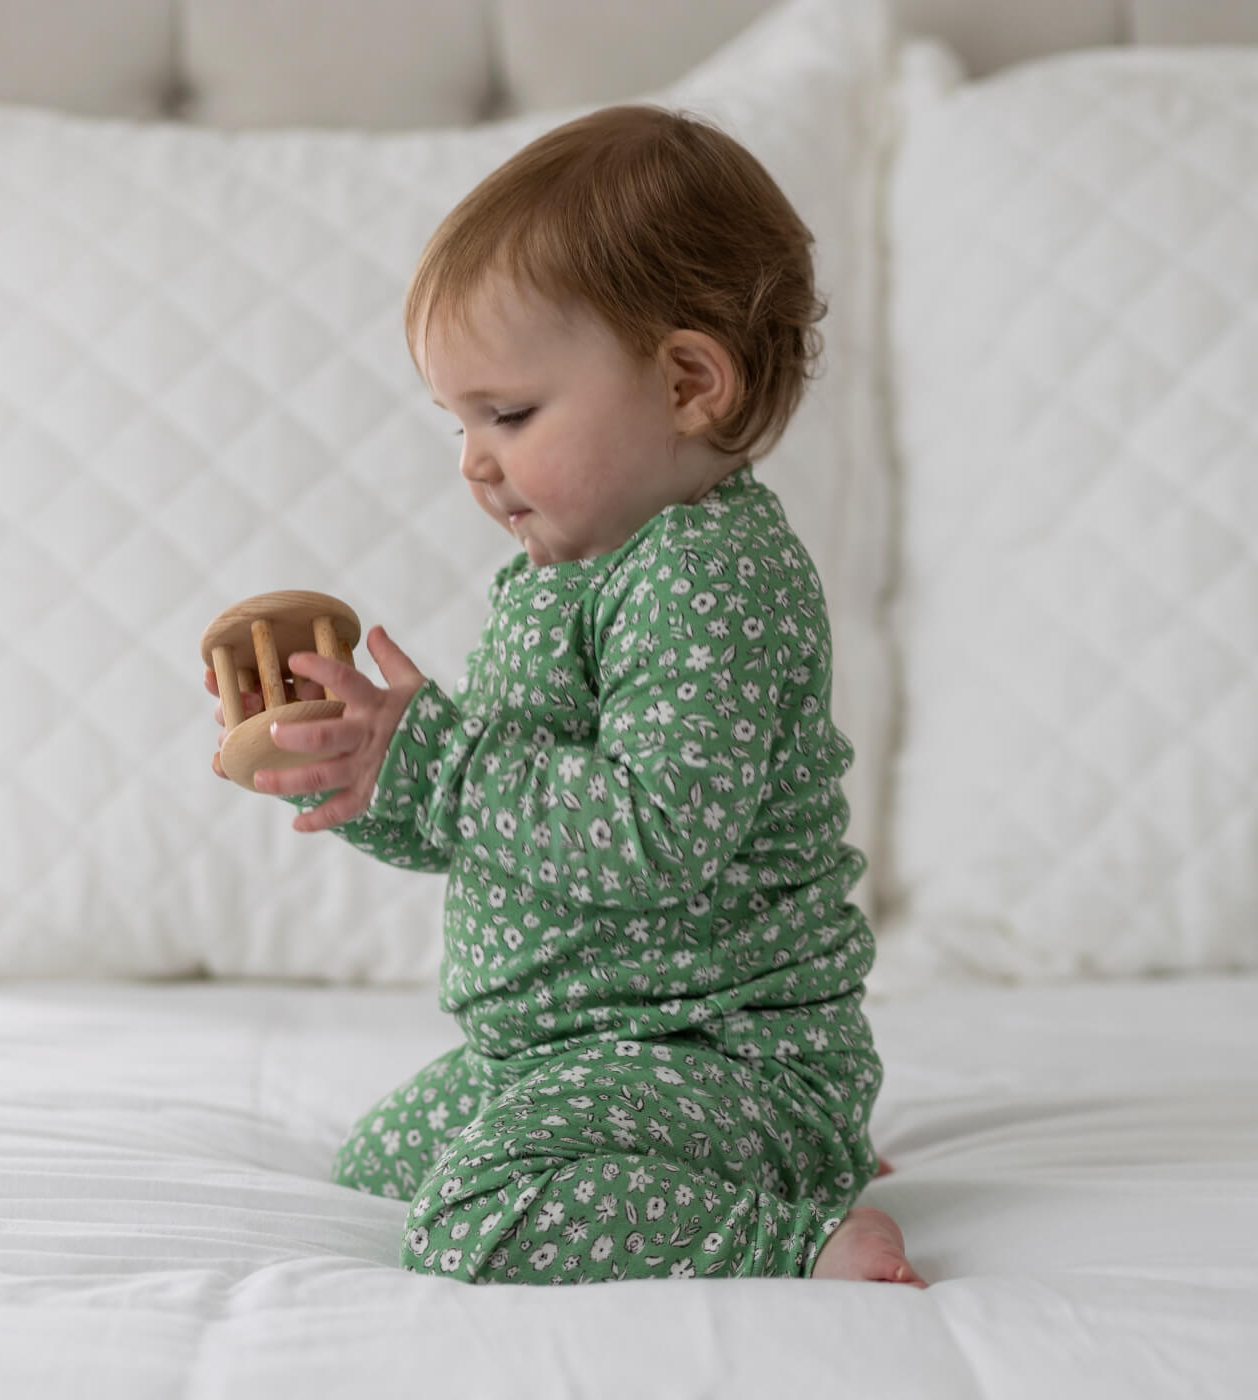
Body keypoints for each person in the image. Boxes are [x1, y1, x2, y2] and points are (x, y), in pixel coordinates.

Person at [207, 105, 925, 1288]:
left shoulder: (709, 574)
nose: (471, 461)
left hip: (717, 1046)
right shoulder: (568, 572)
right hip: (565, 1047)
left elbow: (651, 835)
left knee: (470, 1216)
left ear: (688, 380)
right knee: (379, 1160)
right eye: (457, 421)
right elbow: (524, 827)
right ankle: (756, 1163)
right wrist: (370, 769)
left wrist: (438, 759)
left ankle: (799, 1223)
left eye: (509, 414)